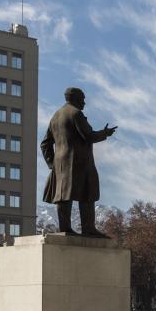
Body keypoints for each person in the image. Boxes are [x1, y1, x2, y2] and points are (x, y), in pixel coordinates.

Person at [40, 87, 117, 237]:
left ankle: (65, 227)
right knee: (88, 191)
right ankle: (88, 228)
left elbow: (45, 144)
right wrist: (105, 133)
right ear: (75, 99)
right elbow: (88, 136)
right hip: (80, 162)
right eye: (82, 99)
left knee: (63, 194)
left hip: (61, 163)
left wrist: (52, 164)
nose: (84, 102)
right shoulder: (76, 114)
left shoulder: (55, 116)